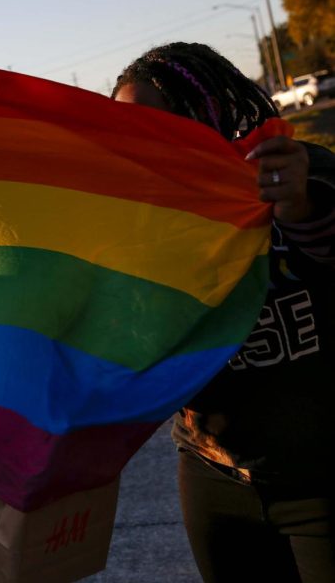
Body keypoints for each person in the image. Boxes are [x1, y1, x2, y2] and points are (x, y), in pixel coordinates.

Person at [112, 42, 335, 582]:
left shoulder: (300, 174)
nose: (141, 147)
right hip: (213, 481)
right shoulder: (135, 220)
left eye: (157, 127)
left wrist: (301, 209)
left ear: (202, 116)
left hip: (321, 480)